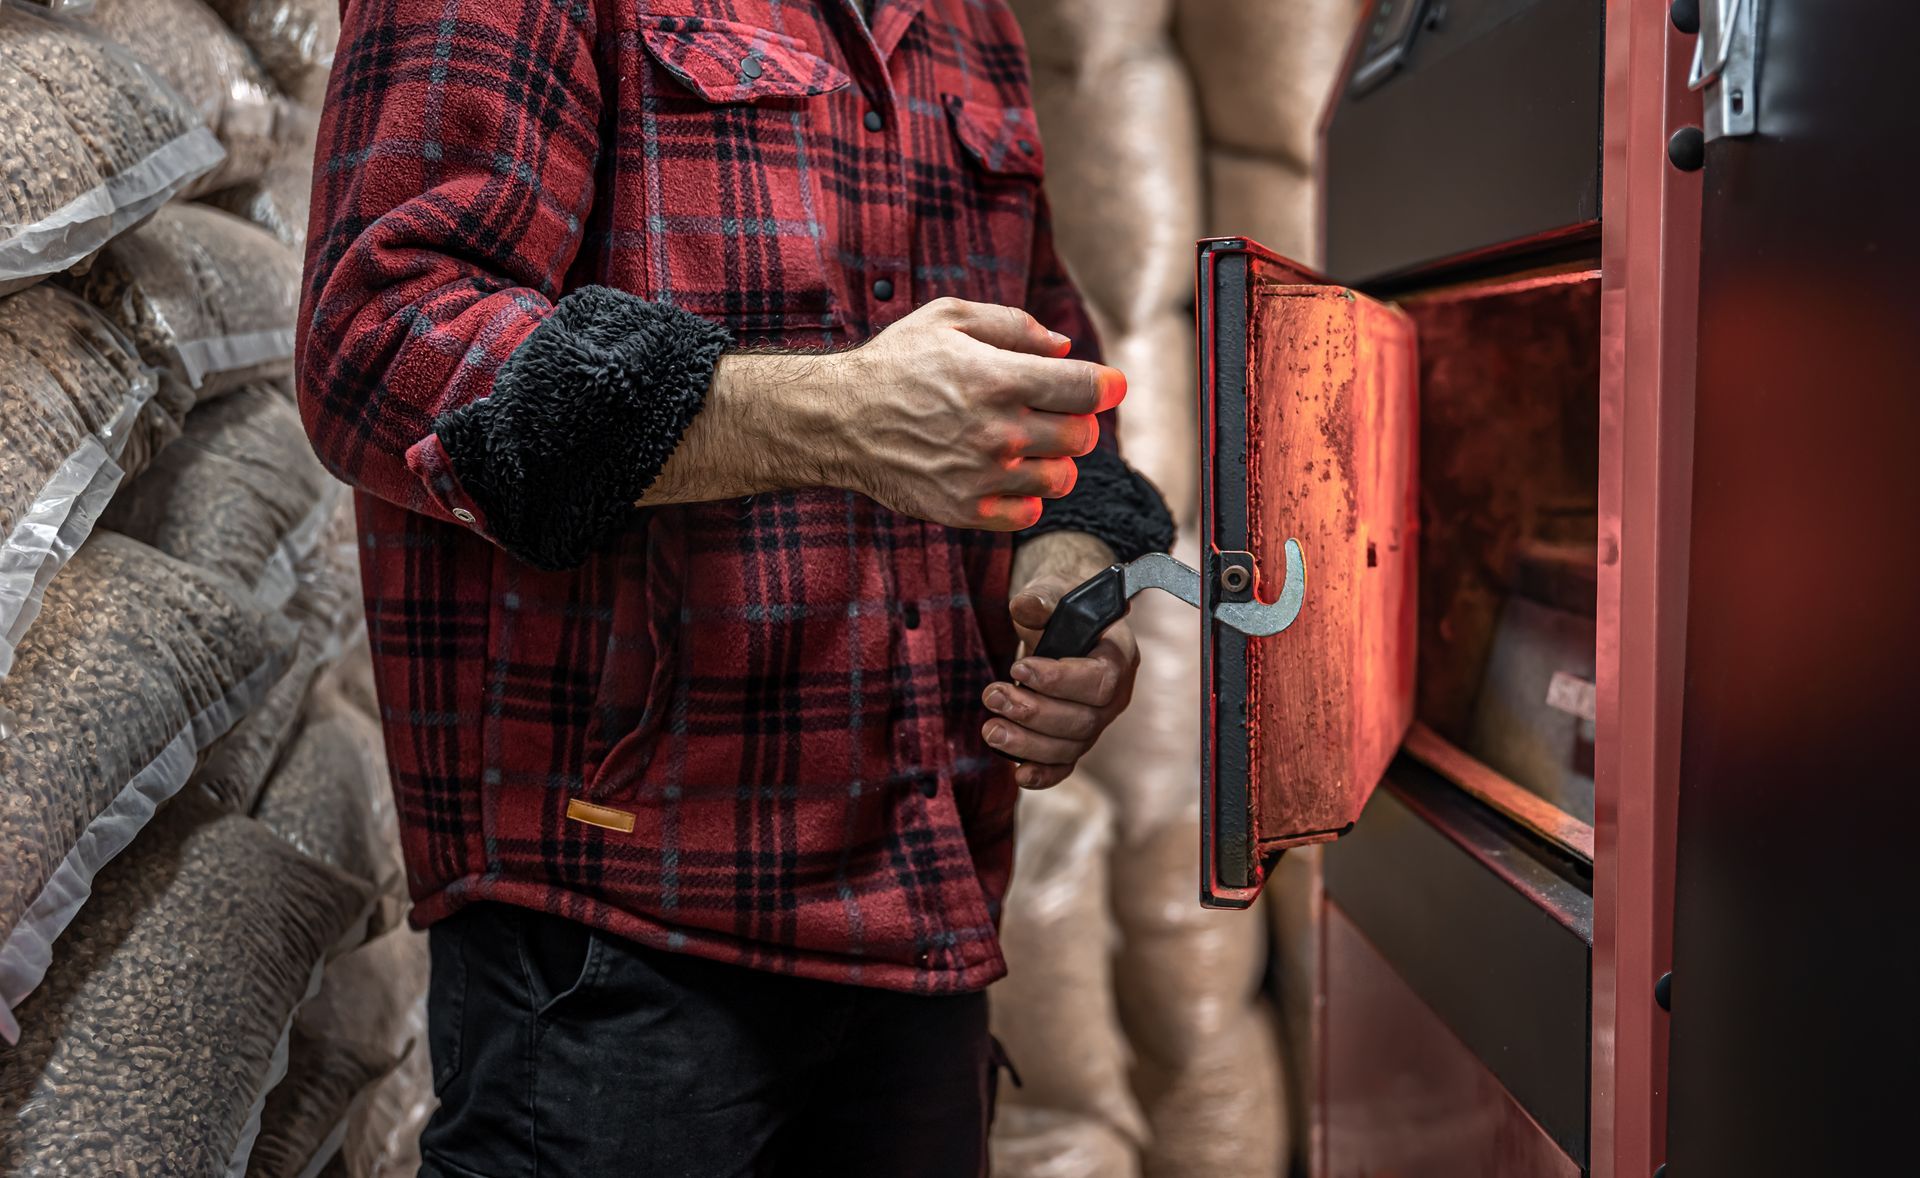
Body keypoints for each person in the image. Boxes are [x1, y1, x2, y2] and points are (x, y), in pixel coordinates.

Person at [298, 2, 1173, 1175]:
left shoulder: (971, 23)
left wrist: (1066, 577)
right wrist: (833, 416)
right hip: (620, 938)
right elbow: (383, 328)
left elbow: (1058, 377)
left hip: (927, 914)